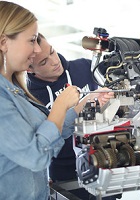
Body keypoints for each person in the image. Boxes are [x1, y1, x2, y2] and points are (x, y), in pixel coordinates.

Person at [0, 1, 80, 199]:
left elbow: (45, 134)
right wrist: (60, 105)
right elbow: (36, 155)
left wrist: (79, 109)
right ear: (3, 43)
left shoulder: (14, 89)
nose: (37, 49)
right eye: (32, 40)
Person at [27, 33, 117, 199]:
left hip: (104, 158)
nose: (55, 61)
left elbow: (118, 69)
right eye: (44, 62)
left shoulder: (84, 67)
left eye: (52, 52)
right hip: (63, 171)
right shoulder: (30, 97)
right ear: (29, 68)